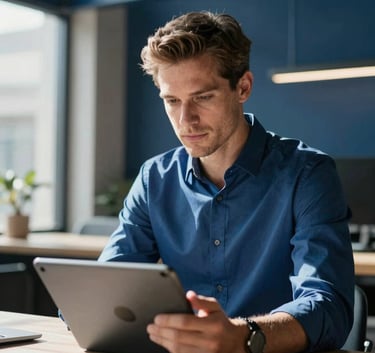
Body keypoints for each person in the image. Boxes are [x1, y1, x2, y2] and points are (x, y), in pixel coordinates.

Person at [99, 11, 355, 353]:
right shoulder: (154, 179)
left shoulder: (307, 174)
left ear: (243, 87)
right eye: (171, 101)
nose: (185, 120)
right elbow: (105, 291)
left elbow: (328, 306)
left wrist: (244, 337)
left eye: (202, 97)